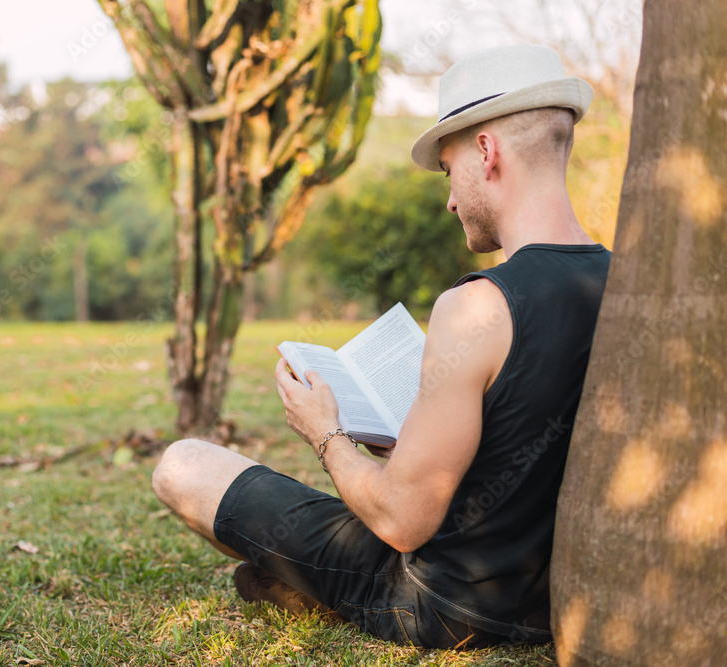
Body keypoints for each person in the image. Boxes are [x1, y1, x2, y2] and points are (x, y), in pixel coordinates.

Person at [151, 44, 611, 649]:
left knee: (182, 464)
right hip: (551, 601)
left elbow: (402, 520)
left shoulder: (478, 307)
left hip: (442, 605)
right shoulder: (626, 286)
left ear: (487, 151)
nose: (449, 200)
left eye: (449, 172)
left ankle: (316, 593)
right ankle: (300, 586)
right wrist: (407, 440)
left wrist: (326, 433)